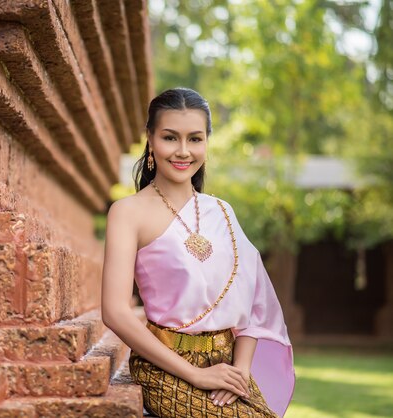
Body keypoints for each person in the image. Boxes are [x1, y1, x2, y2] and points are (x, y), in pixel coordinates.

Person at [101, 87, 295, 417]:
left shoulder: (222, 212)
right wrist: (196, 374)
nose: (182, 151)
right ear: (150, 138)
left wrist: (240, 371)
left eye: (195, 139)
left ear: (206, 141)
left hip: (228, 365)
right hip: (166, 367)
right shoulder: (127, 213)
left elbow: (253, 302)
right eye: (169, 137)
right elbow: (115, 311)